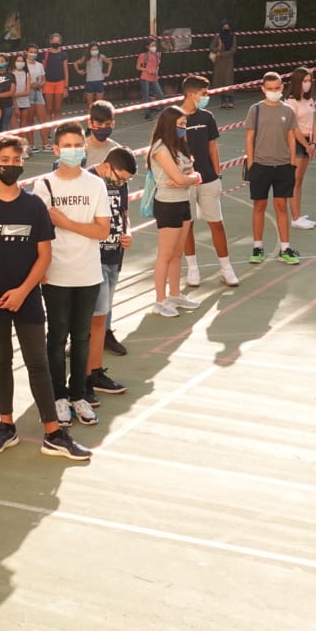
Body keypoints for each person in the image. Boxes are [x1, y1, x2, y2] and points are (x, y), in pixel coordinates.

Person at [0, 135, 91, 461]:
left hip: (27, 299)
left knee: (38, 363)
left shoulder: (34, 206)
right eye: (4, 160)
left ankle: (53, 432)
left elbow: (44, 255)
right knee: (0, 360)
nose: (10, 166)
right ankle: (6, 426)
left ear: (22, 165)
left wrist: (23, 291)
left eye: (16, 161)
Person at [33, 122, 111, 428]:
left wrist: (65, 222)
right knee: (57, 338)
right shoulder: (45, 186)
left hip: (88, 274)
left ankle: (79, 394)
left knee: (82, 338)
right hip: (55, 275)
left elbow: (102, 230)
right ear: (55, 150)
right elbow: (40, 233)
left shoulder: (96, 185)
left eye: (78, 144)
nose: (73, 150)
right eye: (66, 145)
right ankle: (59, 397)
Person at [85, 146, 137, 400]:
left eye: (126, 180)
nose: (122, 182)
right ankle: (88, 374)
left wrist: (128, 231)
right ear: (107, 166)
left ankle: (93, 372)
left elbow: (124, 213)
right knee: (93, 319)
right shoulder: (88, 182)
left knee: (100, 319)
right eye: (121, 177)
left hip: (115, 255)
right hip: (94, 258)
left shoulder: (120, 184)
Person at [179, 76, 239, 288]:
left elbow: (213, 146)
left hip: (208, 180)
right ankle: (193, 269)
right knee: (187, 226)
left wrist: (217, 174)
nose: (207, 97)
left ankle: (226, 268)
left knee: (217, 224)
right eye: (204, 93)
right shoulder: (175, 118)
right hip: (184, 182)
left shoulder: (207, 117)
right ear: (190, 94)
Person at [146, 105, 203, 319]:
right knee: (165, 254)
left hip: (183, 202)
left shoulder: (179, 147)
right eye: (180, 125)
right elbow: (183, 178)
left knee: (177, 253)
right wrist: (189, 179)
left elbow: (188, 174)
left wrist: (187, 179)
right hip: (167, 204)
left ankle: (175, 295)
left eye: (184, 124)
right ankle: (160, 301)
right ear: (169, 125)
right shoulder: (160, 149)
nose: (183, 128)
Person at [83, 99, 130, 356]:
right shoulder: (80, 152)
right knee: (88, 292)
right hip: (88, 236)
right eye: (99, 123)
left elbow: (124, 203)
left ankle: (106, 332)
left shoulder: (118, 151)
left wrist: (127, 229)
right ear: (89, 123)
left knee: (109, 290)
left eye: (108, 123)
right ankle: (81, 336)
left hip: (113, 238)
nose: (103, 127)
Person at [243, 72, 301, 265]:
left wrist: (292, 162)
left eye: (277, 88)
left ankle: (285, 248)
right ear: (263, 89)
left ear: (282, 88)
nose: (274, 92)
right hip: (260, 165)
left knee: (280, 206)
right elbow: (250, 137)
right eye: (270, 89)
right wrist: (251, 164)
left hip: (283, 165)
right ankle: (257, 247)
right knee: (259, 206)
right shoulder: (255, 110)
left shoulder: (288, 111)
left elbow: (292, 137)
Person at [285, 67, 316, 230]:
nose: (308, 84)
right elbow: (293, 127)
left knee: (300, 181)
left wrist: (313, 142)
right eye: (305, 81)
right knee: (295, 181)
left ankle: (298, 213)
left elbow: (313, 122)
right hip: (297, 142)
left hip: (307, 141)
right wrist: (305, 145)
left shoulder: (309, 99)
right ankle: (295, 217)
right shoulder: (291, 101)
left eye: (309, 80)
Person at [19, 44, 47, 151]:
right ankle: (31, 144)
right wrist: (30, 85)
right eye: (31, 51)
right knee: (29, 120)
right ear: (26, 52)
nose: (33, 54)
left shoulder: (39, 65)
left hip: (38, 92)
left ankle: (45, 144)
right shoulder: (23, 65)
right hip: (28, 93)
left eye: (35, 52)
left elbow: (44, 78)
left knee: (43, 119)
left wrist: (40, 84)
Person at [73, 43, 112, 114]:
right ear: (89, 50)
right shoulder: (86, 57)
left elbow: (110, 62)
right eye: (93, 49)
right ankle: (90, 120)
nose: (95, 51)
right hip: (89, 82)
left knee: (99, 105)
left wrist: (108, 73)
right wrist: (78, 71)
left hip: (99, 82)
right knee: (89, 105)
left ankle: (99, 121)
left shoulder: (101, 57)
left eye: (96, 49)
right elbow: (75, 63)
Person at [41, 33, 70, 126]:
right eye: (54, 40)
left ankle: (58, 130)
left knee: (58, 109)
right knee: (48, 109)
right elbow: (42, 70)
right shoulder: (45, 54)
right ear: (50, 41)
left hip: (60, 83)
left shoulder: (63, 54)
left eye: (58, 41)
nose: (56, 42)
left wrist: (66, 87)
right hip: (48, 83)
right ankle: (47, 131)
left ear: (60, 42)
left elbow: (66, 72)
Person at [209, 20, 236, 108]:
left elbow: (233, 50)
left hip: (228, 62)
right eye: (224, 26)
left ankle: (231, 100)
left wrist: (223, 54)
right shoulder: (218, 36)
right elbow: (211, 47)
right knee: (221, 81)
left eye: (227, 26)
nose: (226, 28)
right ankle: (223, 101)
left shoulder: (232, 36)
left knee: (229, 81)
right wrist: (218, 49)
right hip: (219, 63)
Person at [136, 40, 163, 117]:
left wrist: (156, 72)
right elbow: (138, 67)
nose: (154, 47)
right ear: (147, 47)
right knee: (146, 96)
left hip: (154, 78)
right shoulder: (143, 55)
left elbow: (157, 65)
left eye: (154, 45)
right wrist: (148, 70)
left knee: (160, 94)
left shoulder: (157, 55)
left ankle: (162, 110)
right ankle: (147, 114)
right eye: (152, 45)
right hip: (145, 78)